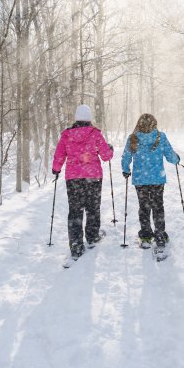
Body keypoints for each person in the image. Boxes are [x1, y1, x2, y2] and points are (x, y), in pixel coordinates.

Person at [52, 104, 114, 261]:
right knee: (93, 208)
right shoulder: (95, 134)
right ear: (89, 118)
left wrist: (56, 169)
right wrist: (110, 149)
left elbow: (59, 154)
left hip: (73, 179)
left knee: (75, 211)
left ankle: (76, 245)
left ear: (76, 118)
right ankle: (92, 237)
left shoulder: (66, 135)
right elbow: (106, 156)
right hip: (93, 177)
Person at [121, 113, 180, 250]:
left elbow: (126, 156)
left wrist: (126, 169)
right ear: (154, 124)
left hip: (141, 179)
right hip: (157, 179)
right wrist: (176, 159)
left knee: (144, 207)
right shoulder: (161, 137)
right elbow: (170, 156)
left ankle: (146, 235)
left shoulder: (133, 138)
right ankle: (160, 235)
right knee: (158, 206)